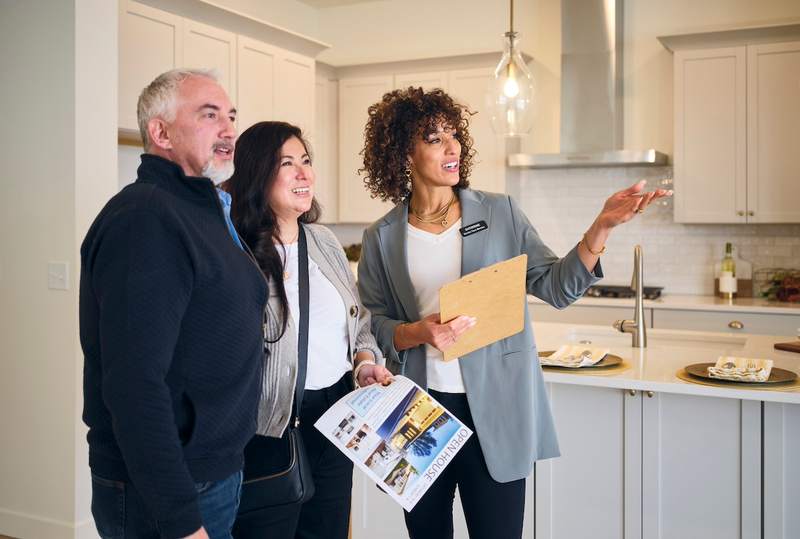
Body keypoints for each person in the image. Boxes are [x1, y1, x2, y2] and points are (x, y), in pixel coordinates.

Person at [356, 87, 670, 539]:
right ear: (404, 152)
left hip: (496, 409)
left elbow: (556, 288)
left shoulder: (500, 212)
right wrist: (417, 332)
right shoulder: (382, 236)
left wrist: (601, 227)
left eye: (454, 135)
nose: (453, 147)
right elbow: (372, 325)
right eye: (434, 138)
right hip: (417, 411)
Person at [80, 68, 267, 539]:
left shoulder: (202, 210)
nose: (229, 130)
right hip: (169, 486)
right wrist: (180, 517)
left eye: (231, 116)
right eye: (209, 115)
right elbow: (133, 384)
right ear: (160, 132)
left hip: (214, 469)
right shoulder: (146, 218)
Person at [224, 121, 392, 539]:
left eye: (306, 161)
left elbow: (359, 325)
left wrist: (365, 360)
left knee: (329, 531)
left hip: (337, 419)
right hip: (270, 427)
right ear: (258, 174)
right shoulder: (235, 252)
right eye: (287, 164)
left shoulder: (324, 241)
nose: (304, 174)